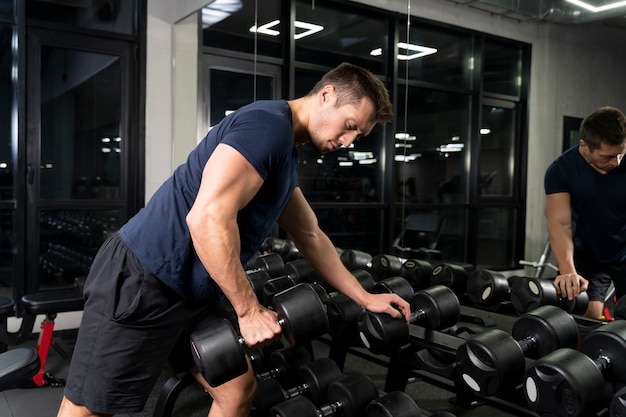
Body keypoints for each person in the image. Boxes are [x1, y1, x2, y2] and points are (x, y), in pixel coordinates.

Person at [56, 62, 411, 417]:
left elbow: (310, 234)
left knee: (237, 390)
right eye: (350, 126)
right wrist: (248, 310)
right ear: (326, 95)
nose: (348, 141)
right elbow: (206, 219)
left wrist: (365, 297)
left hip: (191, 292)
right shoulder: (267, 127)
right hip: (145, 279)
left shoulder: (285, 153)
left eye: (358, 136)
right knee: (89, 409)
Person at [544, 106, 626, 319]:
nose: (616, 162)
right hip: (588, 253)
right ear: (584, 146)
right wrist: (568, 270)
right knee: (584, 319)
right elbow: (560, 223)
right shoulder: (561, 169)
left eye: (620, 153)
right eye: (608, 156)